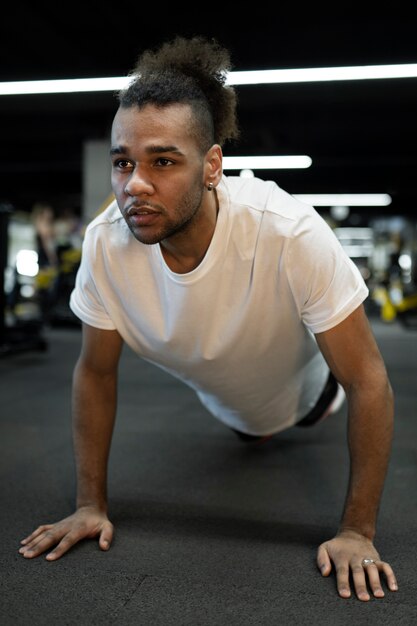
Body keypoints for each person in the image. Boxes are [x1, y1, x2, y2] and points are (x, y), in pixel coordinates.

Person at [19, 36, 398, 602]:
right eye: (123, 162)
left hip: (310, 397)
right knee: (249, 425)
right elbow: (95, 373)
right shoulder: (105, 247)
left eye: (163, 161)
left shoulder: (288, 232)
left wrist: (356, 532)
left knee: (279, 420)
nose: (134, 185)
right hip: (224, 397)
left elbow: (369, 381)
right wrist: (89, 504)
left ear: (213, 165)